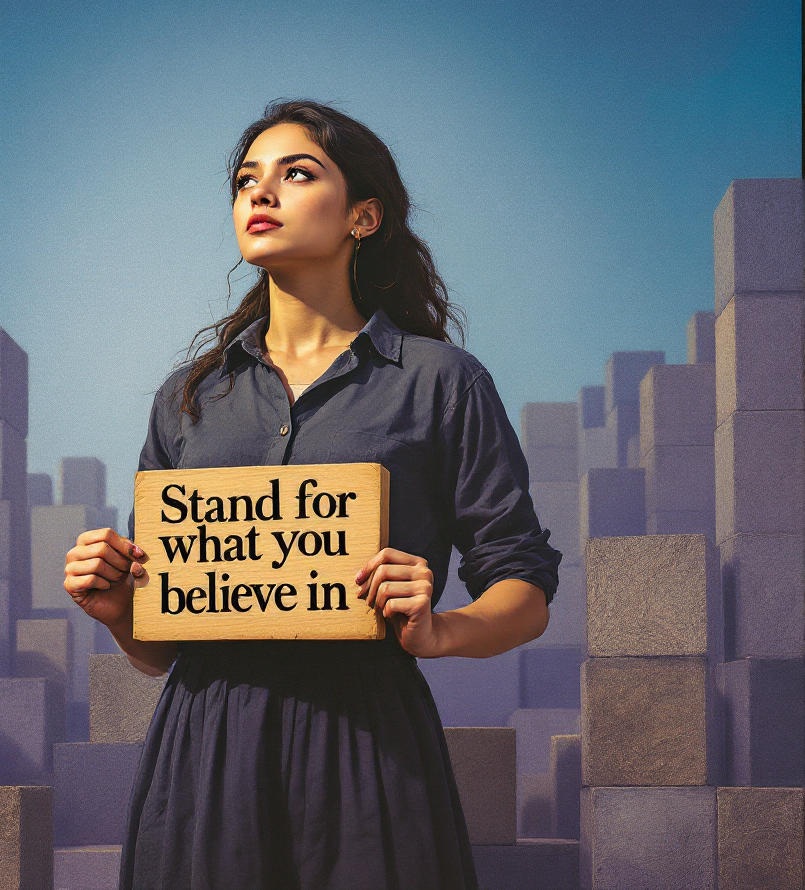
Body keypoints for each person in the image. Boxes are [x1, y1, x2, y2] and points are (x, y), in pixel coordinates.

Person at [63, 99, 563, 890]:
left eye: (296, 174)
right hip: (204, 751)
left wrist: (440, 630)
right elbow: (161, 646)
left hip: (367, 741)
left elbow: (525, 589)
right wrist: (119, 611)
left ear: (363, 217)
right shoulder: (186, 399)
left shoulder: (442, 382)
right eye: (245, 181)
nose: (260, 194)